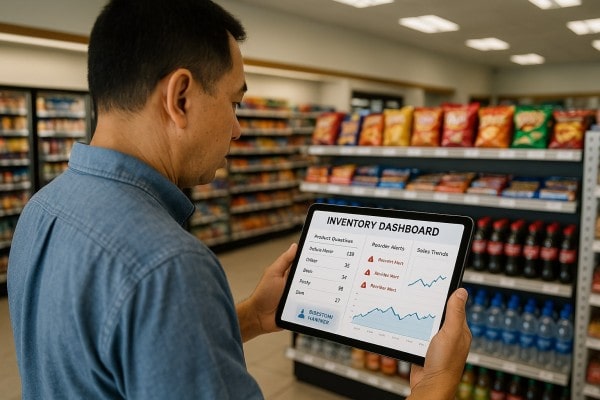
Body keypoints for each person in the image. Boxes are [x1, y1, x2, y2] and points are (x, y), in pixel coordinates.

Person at [7, 0, 471, 399]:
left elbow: (105, 361)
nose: (237, 128)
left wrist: (248, 317)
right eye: (235, 103)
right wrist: (435, 384)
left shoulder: (42, 208)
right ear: (180, 96)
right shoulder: (169, 266)